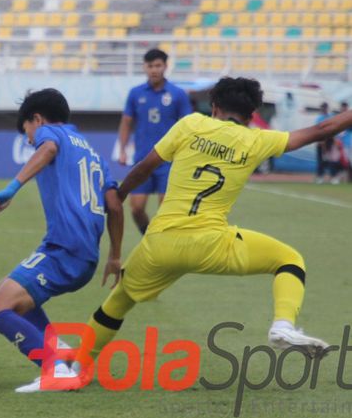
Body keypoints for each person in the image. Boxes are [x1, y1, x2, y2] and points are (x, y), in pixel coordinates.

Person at [84, 77, 352, 365]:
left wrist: (121, 194)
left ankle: (75, 365)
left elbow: (145, 167)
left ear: (213, 107)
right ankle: (283, 325)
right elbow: (324, 129)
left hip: (160, 243)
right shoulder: (256, 139)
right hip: (212, 244)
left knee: (118, 302)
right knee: (289, 260)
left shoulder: (190, 125)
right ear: (251, 116)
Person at [0, 88, 123, 393]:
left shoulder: (51, 133)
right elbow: (114, 205)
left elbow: (47, 149)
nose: (31, 141)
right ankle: (61, 356)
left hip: (65, 249)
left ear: (37, 119)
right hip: (85, 256)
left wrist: (9, 191)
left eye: (28, 133)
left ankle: (54, 369)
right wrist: (114, 255)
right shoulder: (94, 153)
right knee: (10, 293)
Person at [118, 48, 192, 234]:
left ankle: (163, 246)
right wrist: (122, 149)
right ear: (144, 67)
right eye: (150, 66)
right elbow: (126, 122)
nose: (154, 70)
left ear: (165, 66)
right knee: (136, 208)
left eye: (158, 65)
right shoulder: (135, 93)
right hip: (143, 159)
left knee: (165, 211)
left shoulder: (178, 94)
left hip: (169, 162)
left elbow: (188, 125)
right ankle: (150, 237)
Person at [314, 102, 334, 184]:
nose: (323, 109)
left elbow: (333, 130)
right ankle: (320, 177)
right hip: (321, 141)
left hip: (329, 141)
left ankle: (333, 176)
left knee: (331, 160)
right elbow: (317, 130)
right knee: (320, 160)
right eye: (322, 107)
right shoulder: (319, 118)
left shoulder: (331, 117)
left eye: (325, 107)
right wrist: (321, 141)